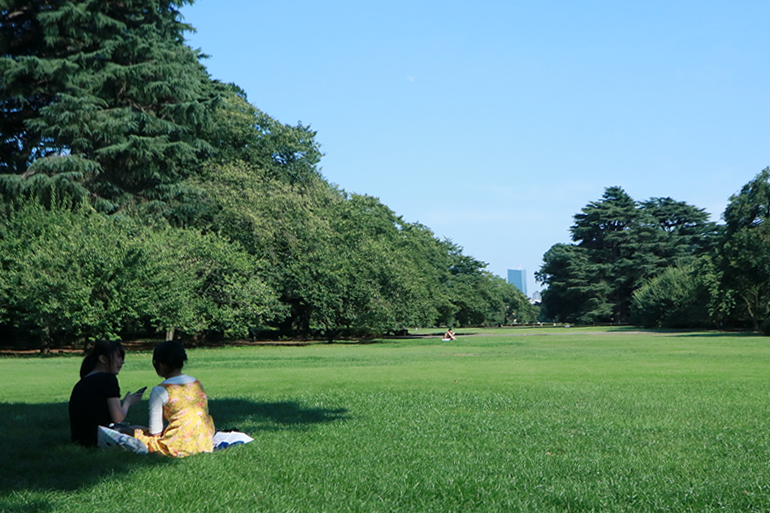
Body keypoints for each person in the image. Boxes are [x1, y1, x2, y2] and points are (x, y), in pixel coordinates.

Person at [133, 341, 215, 457]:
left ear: (160, 365)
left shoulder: (160, 390)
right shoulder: (197, 383)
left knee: (134, 432)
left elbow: (155, 432)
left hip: (178, 444)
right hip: (204, 441)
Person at [69, 340, 145, 447]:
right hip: (99, 439)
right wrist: (128, 402)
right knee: (142, 431)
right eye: (118, 357)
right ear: (103, 359)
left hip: (82, 439)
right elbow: (118, 418)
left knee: (137, 427)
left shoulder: (84, 381)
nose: (122, 362)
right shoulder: (108, 379)